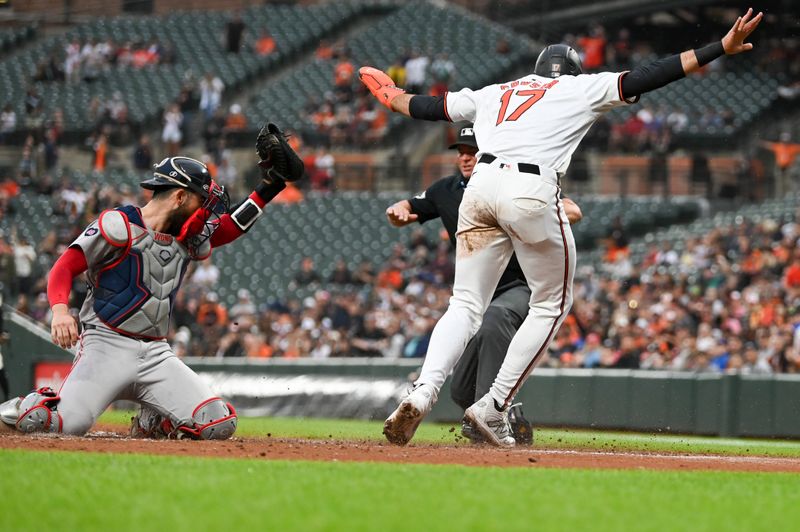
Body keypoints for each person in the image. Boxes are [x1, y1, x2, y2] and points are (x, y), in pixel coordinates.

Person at [360, 8, 762, 446]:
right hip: (530, 187)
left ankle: (422, 392)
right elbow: (650, 75)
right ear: (571, 70)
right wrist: (719, 48)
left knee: (464, 305)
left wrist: (390, 95)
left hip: (480, 186)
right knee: (552, 303)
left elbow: (423, 106)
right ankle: (494, 406)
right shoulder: (579, 88)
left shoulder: (498, 91)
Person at [0, 124, 305, 438]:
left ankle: (153, 420)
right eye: (201, 200)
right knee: (62, 426)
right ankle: (21, 409)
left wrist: (271, 186)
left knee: (217, 422)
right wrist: (61, 310)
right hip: (106, 345)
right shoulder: (118, 225)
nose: (206, 211)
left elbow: (231, 227)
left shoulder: (188, 235)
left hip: (157, 353)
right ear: (179, 197)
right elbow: (64, 267)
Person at [385, 124, 582, 443]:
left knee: (494, 321)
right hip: (481, 293)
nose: (466, 158)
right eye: (461, 152)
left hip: (519, 288)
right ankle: (497, 413)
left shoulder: (512, 185)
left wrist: (547, 213)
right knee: (462, 388)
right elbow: (412, 205)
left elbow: (572, 209)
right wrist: (399, 211)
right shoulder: (445, 191)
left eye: (472, 152)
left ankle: (499, 411)